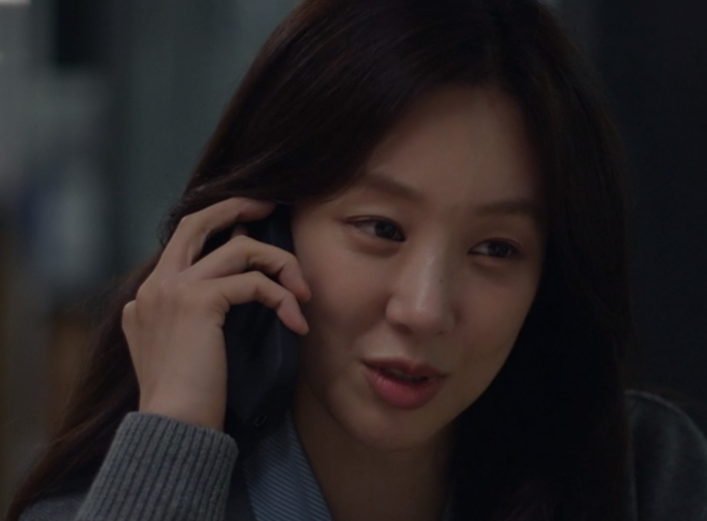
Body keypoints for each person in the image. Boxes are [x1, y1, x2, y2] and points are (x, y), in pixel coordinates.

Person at [8, 0, 707, 520]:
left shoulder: (643, 477)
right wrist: (176, 431)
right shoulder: (117, 505)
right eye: (380, 228)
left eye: (496, 248)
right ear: (266, 228)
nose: (424, 308)